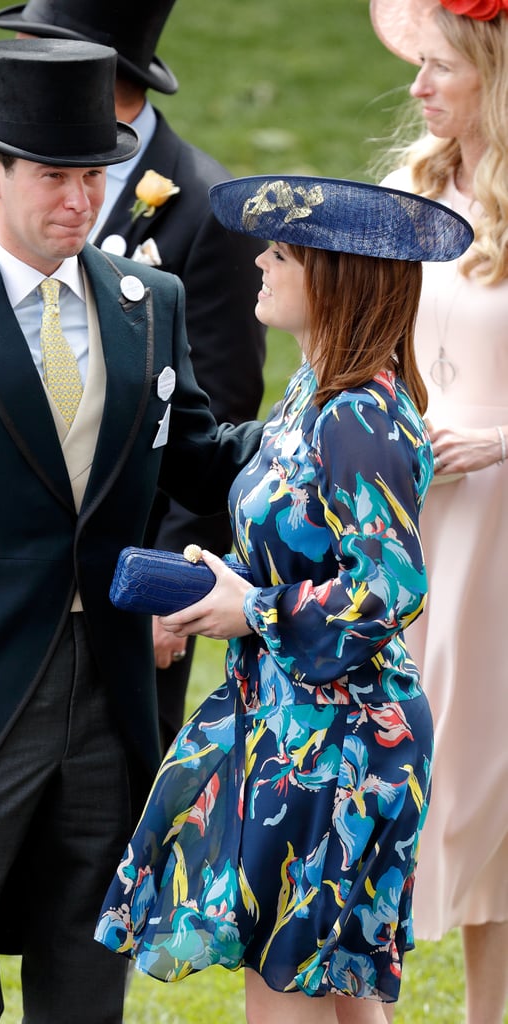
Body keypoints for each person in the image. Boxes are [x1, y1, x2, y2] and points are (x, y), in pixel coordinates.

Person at [0, 38, 263, 1024]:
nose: (80, 199)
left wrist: (322, 424)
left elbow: (198, 455)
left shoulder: (150, 304)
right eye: (55, 176)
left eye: (94, 175)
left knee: (83, 966)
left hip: (115, 689)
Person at [93, 174, 473, 1023]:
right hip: (303, 725)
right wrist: (228, 575)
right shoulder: (312, 395)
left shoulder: (355, 415)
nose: (260, 262)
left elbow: (390, 585)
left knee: (286, 991)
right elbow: (312, 545)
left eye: (282, 252)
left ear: (334, 279)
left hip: (335, 745)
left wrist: (251, 611)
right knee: (331, 992)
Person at [0, 0, 267, 751]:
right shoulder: (15, 162)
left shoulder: (206, 207)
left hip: (130, 586)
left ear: (99, 64)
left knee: (116, 820)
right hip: (14, 591)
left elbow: (218, 413)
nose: (18, 54)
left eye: (39, 43)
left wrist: (166, 594)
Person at [369, 2, 508, 1021]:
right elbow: (353, 344)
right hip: (417, 520)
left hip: (502, 527)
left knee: (490, 779)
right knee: (416, 770)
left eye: (436, 69)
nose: (414, 89)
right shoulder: (404, 192)